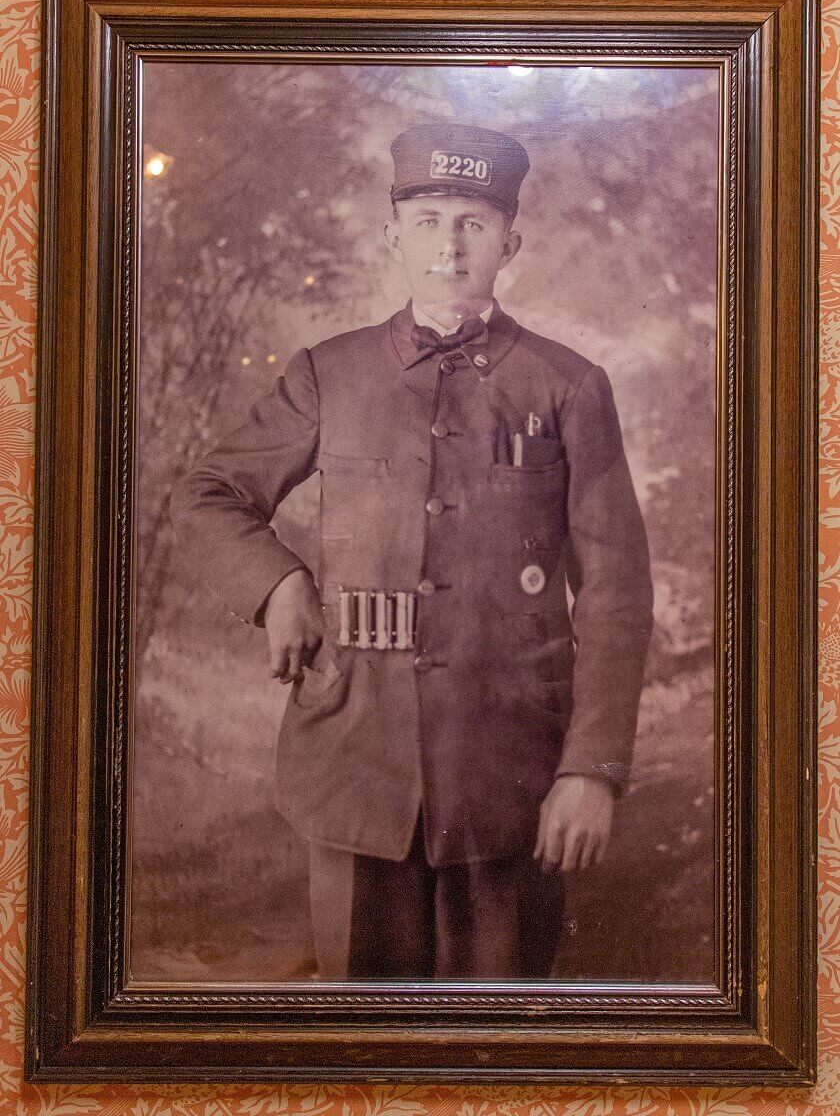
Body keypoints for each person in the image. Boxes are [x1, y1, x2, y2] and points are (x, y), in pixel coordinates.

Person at [171, 122, 654, 981]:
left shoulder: (568, 385)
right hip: (356, 762)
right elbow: (208, 495)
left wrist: (593, 771)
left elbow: (616, 594)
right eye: (428, 220)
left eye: (471, 220)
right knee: (361, 1048)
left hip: (512, 773)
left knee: (500, 1052)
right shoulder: (332, 372)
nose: (449, 243)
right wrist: (279, 580)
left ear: (511, 240)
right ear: (393, 237)